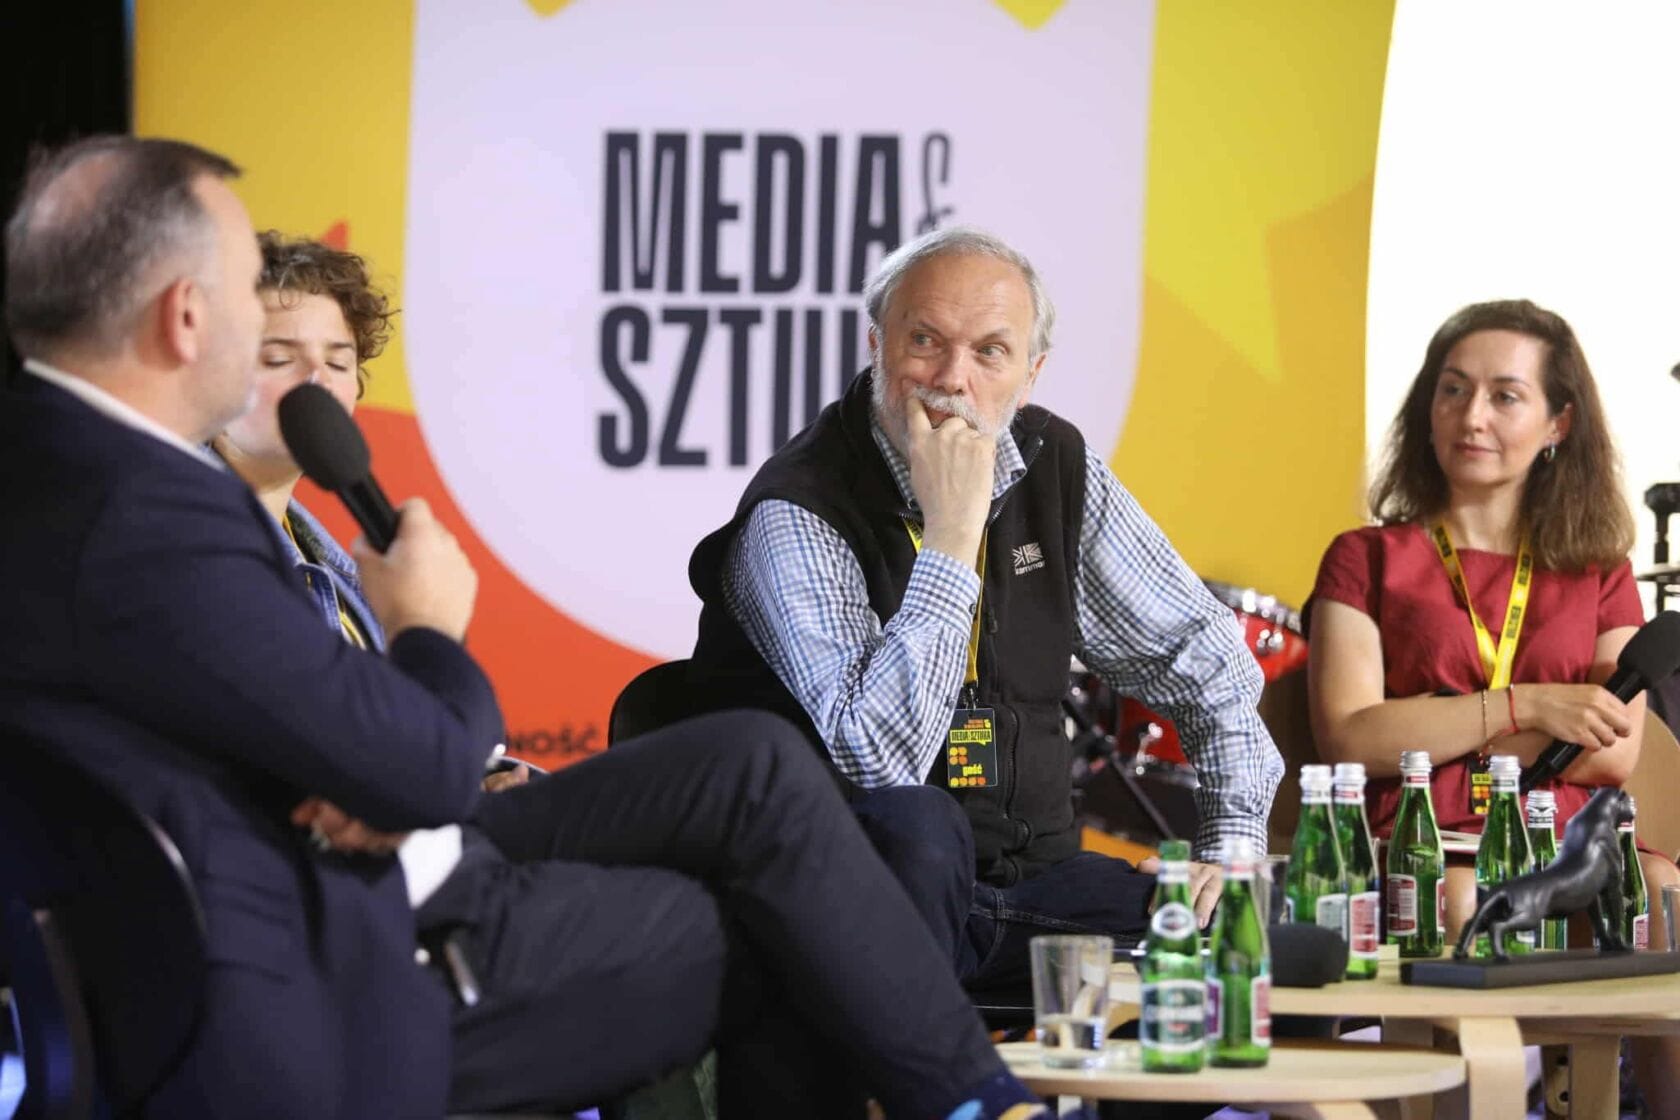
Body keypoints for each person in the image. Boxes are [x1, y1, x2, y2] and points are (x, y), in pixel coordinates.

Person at [0, 138, 1051, 1120]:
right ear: (187, 317)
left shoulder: (62, 468)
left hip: (330, 860)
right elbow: (419, 770)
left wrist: (360, 765)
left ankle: (976, 1100)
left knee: (752, 765)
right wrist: (426, 628)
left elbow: (272, 724)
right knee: (790, 925)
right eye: (246, 297)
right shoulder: (145, 516)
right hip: (331, 955)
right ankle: (977, 1102)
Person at [689, 226, 1284, 988]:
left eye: (990, 353)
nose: (952, 379)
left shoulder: (1052, 464)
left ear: (1030, 374)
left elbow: (1210, 663)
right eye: (925, 341)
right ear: (876, 344)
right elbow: (879, 765)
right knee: (922, 830)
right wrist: (953, 531)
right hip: (853, 901)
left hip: (1034, 890)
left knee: (1252, 937)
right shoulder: (798, 509)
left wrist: (1230, 854)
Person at [1306, 298, 1680, 1116]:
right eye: (1452, 389)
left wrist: (1433, 721)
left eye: (1505, 395)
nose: (1471, 415)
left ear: (1558, 424)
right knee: (1461, 899)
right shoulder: (1364, 558)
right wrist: (1530, 704)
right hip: (1425, 840)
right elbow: (1352, 735)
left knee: (1664, 896)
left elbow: (1614, 749)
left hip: (1575, 838)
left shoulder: (1600, 568)